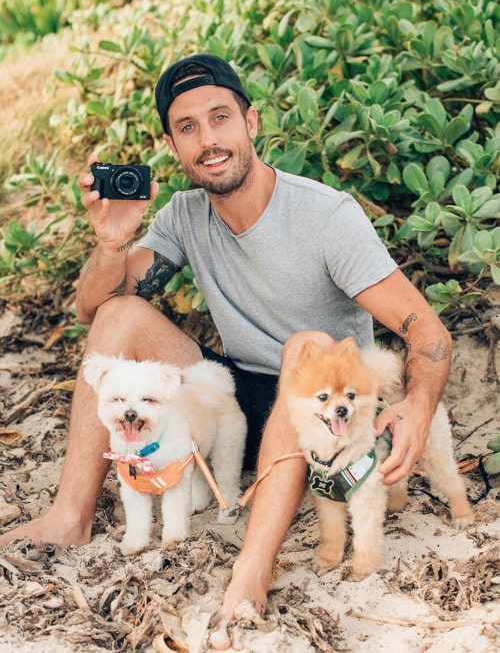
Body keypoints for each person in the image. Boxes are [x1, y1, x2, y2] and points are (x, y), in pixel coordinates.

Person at [0, 54, 452, 649]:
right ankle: (70, 517)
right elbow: (94, 309)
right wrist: (112, 242)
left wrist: (417, 408)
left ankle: (251, 571)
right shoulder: (184, 215)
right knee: (120, 312)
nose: (208, 139)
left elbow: (428, 330)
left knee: (306, 345)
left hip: (324, 409)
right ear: (173, 144)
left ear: (252, 123)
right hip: (242, 397)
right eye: (188, 127)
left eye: (220, 118)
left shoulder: (326, 216)